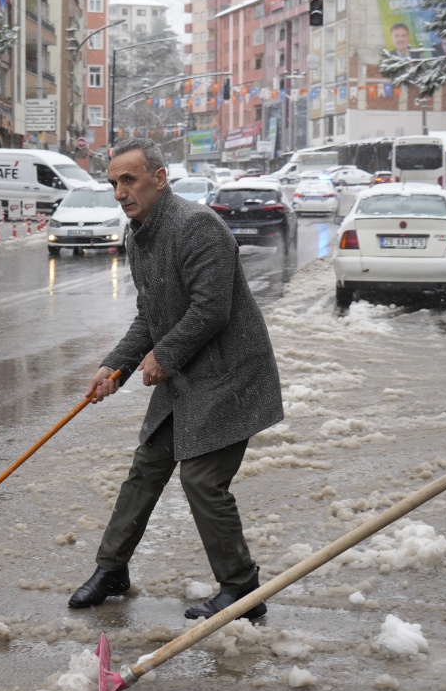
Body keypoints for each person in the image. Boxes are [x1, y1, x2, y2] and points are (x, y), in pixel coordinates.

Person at [68, 137, 284, 620]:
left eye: (130, 179)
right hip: (186, 376)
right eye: (113, 183)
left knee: (203, 480)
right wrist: (116, 365)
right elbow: (151, 314)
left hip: (229, 376)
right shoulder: (137, 234)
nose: (121, 192)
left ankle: (241, 589)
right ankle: (112, 569)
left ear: (159, 178)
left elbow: (212, 309)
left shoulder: (197, 226)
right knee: (147, 467)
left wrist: (163, 358)